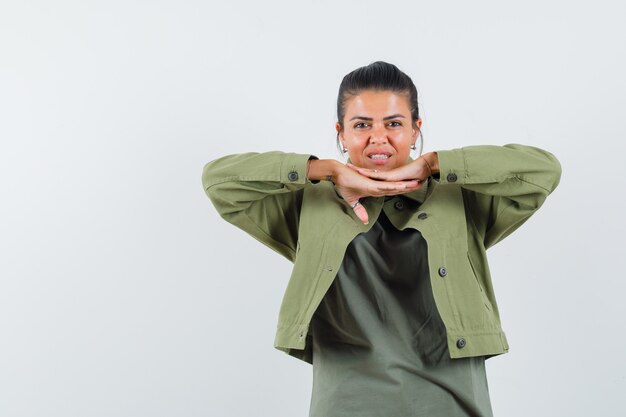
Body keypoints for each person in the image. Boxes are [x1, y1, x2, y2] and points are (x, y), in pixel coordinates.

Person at [201, 61, 561, 417]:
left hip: (451, 400)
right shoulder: (311, 203)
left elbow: (543, 171)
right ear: (341, 134)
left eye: (393, 123)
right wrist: (322, 170)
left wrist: (434, 164)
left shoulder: (458, 197)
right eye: (361, 125)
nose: (378, 137)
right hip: (347, 402)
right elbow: (219, 182)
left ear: (416, 129)